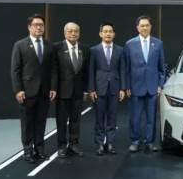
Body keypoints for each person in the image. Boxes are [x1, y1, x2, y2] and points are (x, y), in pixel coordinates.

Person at [10, 14, 57, 163]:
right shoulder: (20, 45)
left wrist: (53, 87)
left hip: (44, 91)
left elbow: (53, 69)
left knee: (41, 122)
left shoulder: (49, 46)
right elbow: (15, 70)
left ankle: (40, 149)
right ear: (29, 27)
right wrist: (18, 90)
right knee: (27, 123)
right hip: (27, 91)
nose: (39, 27)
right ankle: (28, 151)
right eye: (36, 25)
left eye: (41, 25)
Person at [124, 15, 166, 153]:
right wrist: (127, 86)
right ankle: (135, 141)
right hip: (135, 87)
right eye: (142, 25)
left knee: (151, 118)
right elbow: (126, 68)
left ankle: (150, 142)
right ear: (137, 27)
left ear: (150, 27)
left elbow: (162, 68)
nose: (145, 28)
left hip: (153, 88)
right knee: (135, 118)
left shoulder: (158, 44)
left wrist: (160, 85)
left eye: (147, 25)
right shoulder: (129, 44)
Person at [53, 22, 90, 158]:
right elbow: (53, 71)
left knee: (76, 120)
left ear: (79, 33)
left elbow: (86, 72)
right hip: (62, 92)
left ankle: (74, 144)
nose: (73, 33)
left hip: (78, 92)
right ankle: (62, 146)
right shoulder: (56, 47)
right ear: (65, 33)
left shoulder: (85, 49)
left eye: (76, 31)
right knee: (61, 121)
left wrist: (86, 90)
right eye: (70, 31)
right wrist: (53, 89)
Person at [89, 22, 126, 155]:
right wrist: (91, 89)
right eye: (105, 31)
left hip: (115, 88)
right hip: (99, 88)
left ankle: (110, 143)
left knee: (112, 118)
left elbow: (122, 70)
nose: (108, 33)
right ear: (100, 34)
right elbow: (91, 71)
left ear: (114, 34)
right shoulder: (94, 50)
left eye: (110, 31)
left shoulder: (120, 50)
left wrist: (122, 88)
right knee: (99, 118)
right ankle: (100, 144)